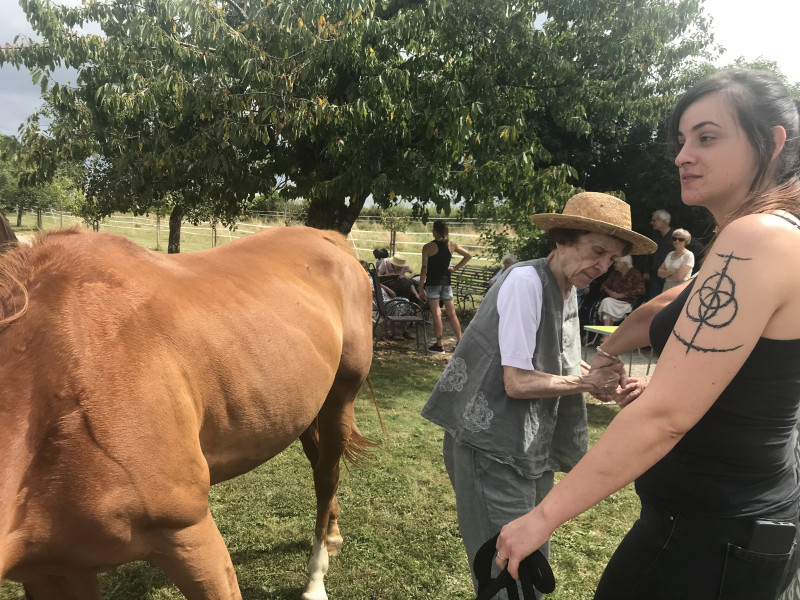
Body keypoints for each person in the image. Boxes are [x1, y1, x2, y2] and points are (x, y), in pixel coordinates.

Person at [494, 69, 800, 600]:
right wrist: (646, 375)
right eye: (681, 141)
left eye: (706, 137)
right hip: (728, 523)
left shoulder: (756, 237)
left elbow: (666, 418)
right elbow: (719, 356)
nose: (682, 155)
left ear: (770, 143)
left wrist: (541, 518)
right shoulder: (763, 235)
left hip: (710, 533)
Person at [421, 192, 656, 599]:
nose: (602, 267)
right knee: (504, 573)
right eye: (597, 251)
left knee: (528, 560)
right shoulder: (526, 282)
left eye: (611, 259)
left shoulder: (568, 288)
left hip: (529, 447)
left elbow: (557, 359)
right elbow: (516, 381)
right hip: (491, 447)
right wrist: (585, 384)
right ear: (562, 239)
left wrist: (601, 378)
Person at [418, 220, 472, 353]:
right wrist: (455, 268)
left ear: (435, 231)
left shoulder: (428, 247)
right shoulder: (451, 245)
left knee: (437, 314)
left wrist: (420, 287)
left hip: (432, 284)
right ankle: (460, 341)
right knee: (452, 313)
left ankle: (439, 344)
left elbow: (424, 268)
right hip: (446, 283)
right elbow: (468, 255)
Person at [597, 255, 645, 326]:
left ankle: (607, 334)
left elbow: (641, 290)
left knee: (607, 304)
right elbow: (604, 286)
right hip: (613, 301)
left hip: (627, 302)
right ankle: (606, 333)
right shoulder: (615, 273)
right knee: (606, 302)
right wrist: (611, 293)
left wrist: (622, 295)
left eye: (616, 263)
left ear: (624, 263)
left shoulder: (635, 274)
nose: (614, 265)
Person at [643, 209, 674, 299]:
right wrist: (646, 271)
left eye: (654, 220)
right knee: (653, 300)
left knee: (666, 301)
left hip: (669, 276)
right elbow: (649, 254)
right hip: (655, 275)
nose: (651, 223)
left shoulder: (676, 236)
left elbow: (696, 247)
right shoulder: (655, 236)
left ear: (663, 221)